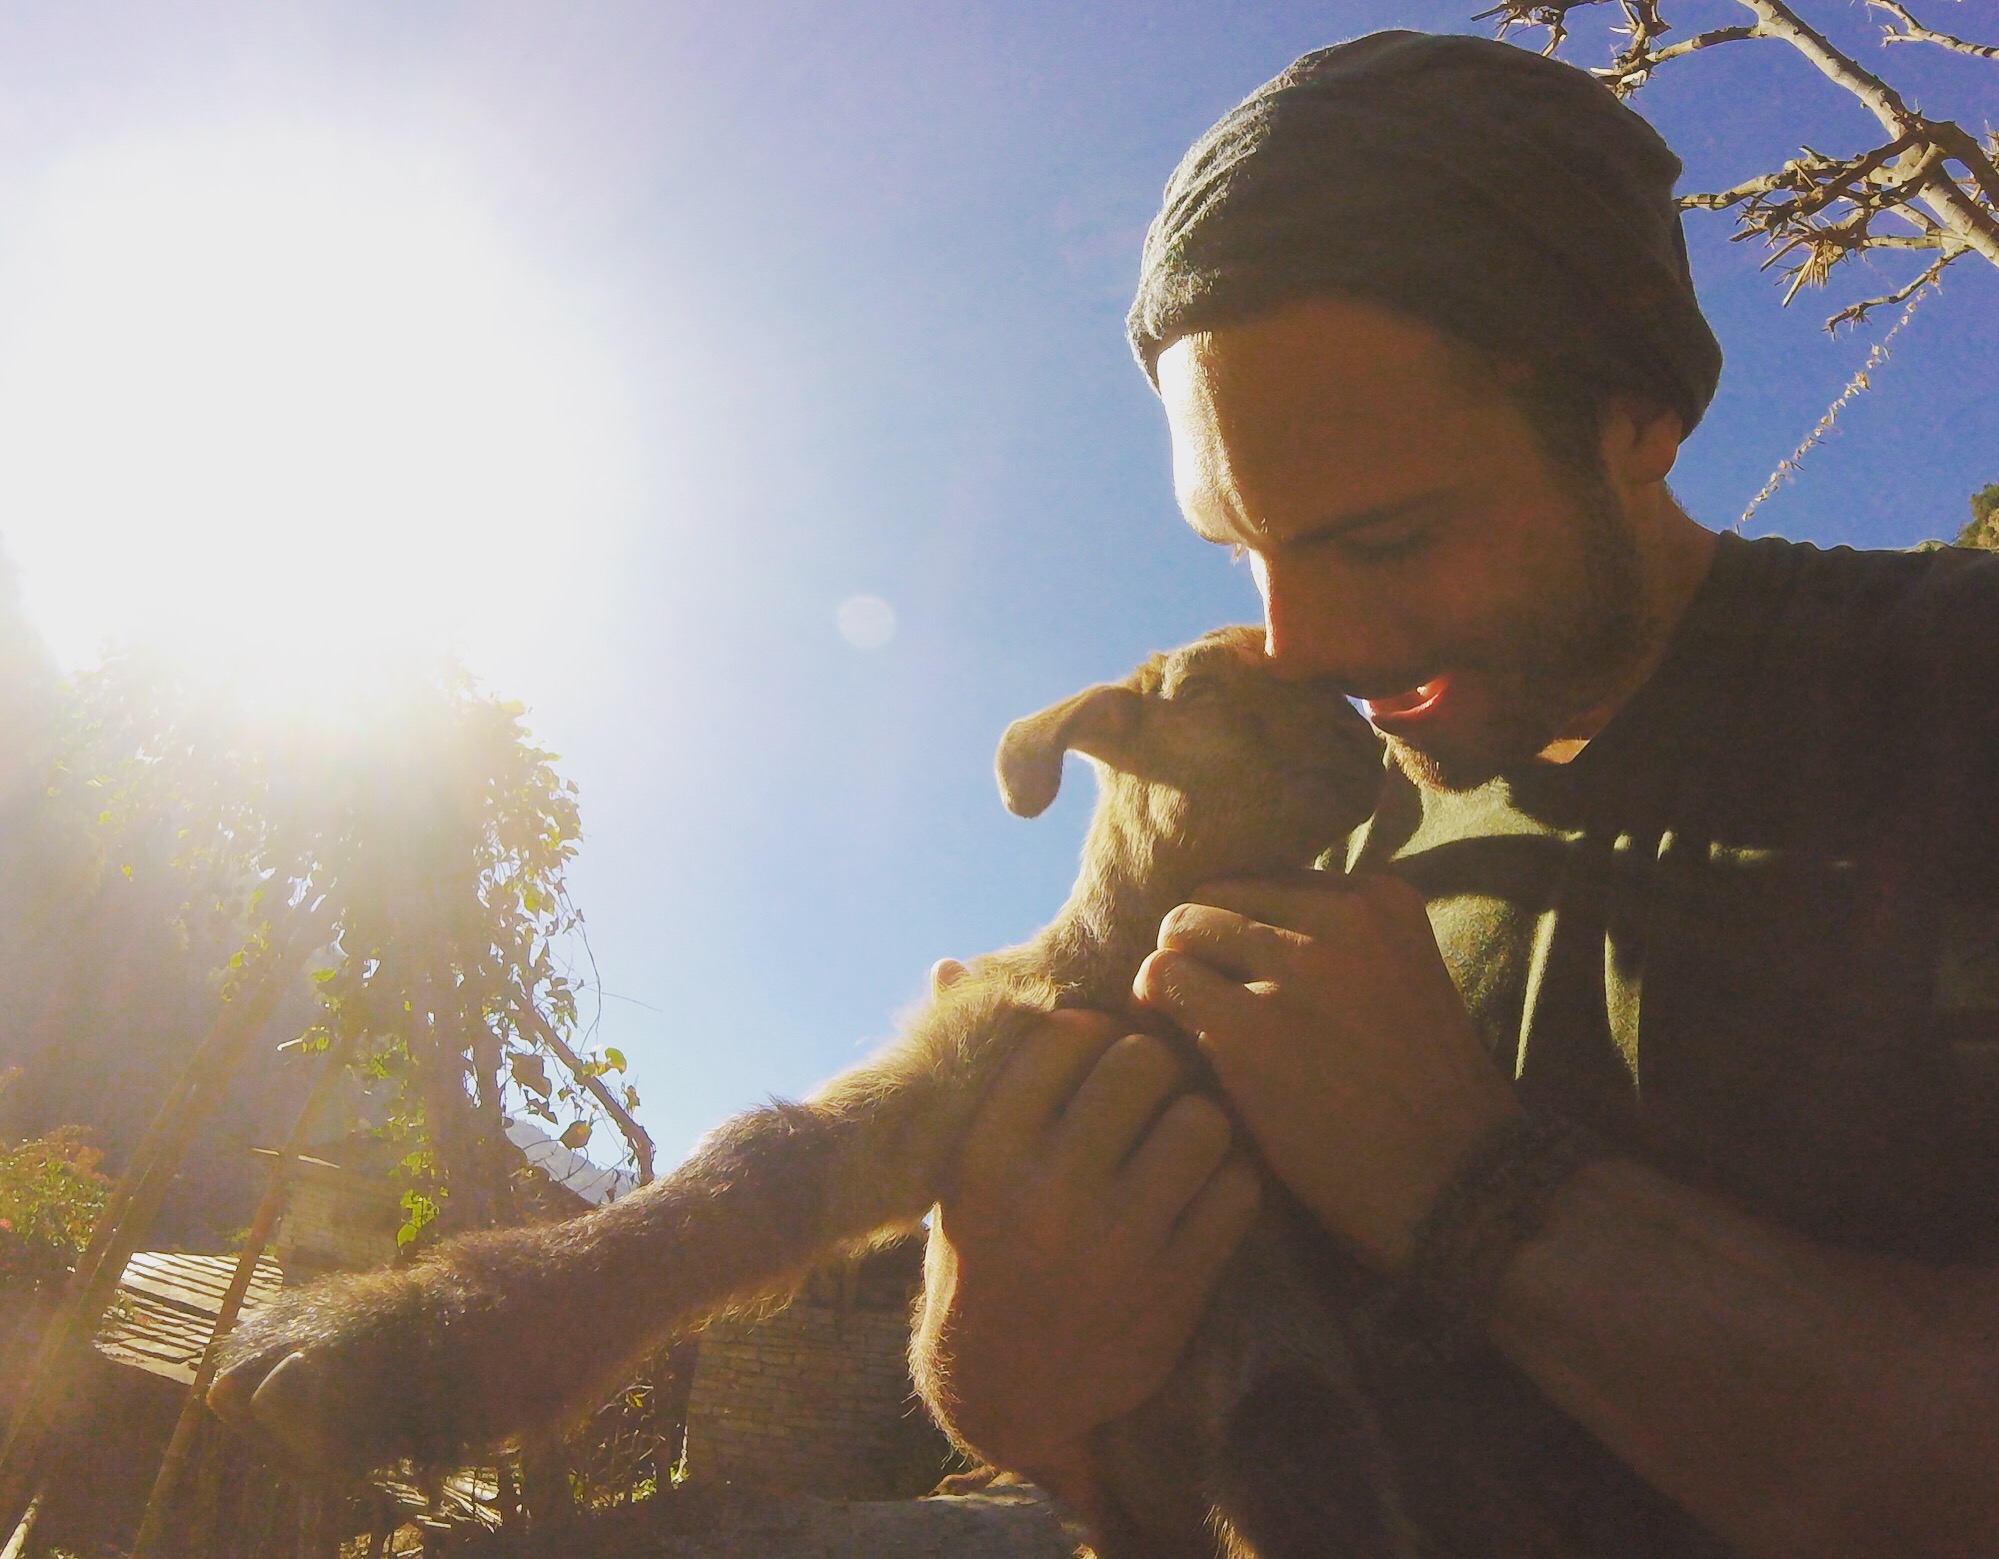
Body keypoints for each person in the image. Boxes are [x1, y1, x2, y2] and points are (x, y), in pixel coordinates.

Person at [909, 31, 1999, 1559]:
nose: (1308, 649)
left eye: (1389, 536)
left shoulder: (1954, 696)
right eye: (1243, 551)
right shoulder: (1308, 833)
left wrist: (1475, 1190)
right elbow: (1074, 1402)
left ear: (1638, 421)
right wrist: (1000, 1370)